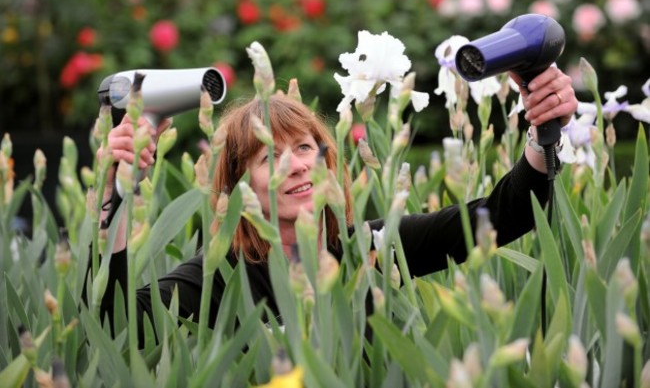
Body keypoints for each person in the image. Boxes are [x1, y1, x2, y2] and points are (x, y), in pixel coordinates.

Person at [94, 66, 577, 340]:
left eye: (305, 148)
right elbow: (113, 326)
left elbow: (503, 216)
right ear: (240, 184)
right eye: (271, 157)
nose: (298, 165)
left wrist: (542, 130)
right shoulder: (220, 274)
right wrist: (116, 193)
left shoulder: (371, 247)